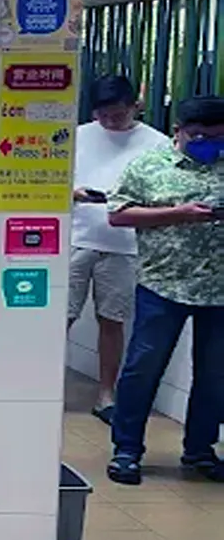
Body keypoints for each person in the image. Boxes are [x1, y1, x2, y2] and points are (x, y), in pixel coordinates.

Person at [104, 94, 224, 486]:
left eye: (219, 137)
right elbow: (118, 214)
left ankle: (200, 450)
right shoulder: (148, 166)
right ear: (179, 132)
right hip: (162, 285)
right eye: (200, 136)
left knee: (214, 376)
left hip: (218, 291)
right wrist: (178, 214)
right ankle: (126, 450)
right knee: (143, 369)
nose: (210, 143)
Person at [69, 75, 169, 422]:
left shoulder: (157, 143)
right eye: (104, 115)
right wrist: (75, 193)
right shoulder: (77, 136)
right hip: (75, 237)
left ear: (135, 106)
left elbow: (163, 194)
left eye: (118, 115)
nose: (110, 122)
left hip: (126, 245)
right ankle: (45, 388)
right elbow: (51, 184)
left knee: (112, 321)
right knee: (58, 318)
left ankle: (106, 396)